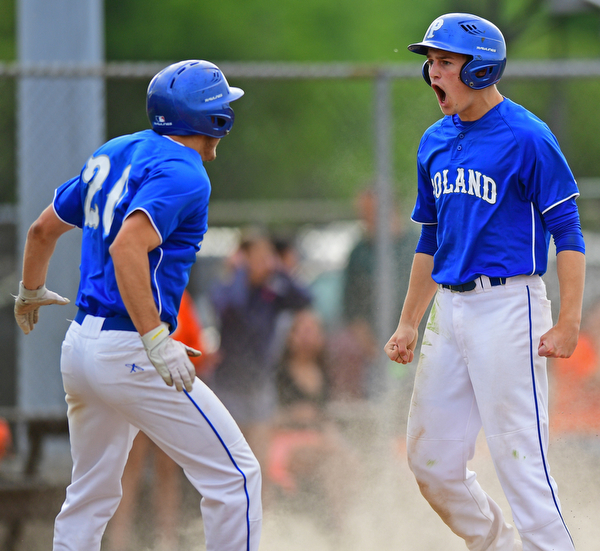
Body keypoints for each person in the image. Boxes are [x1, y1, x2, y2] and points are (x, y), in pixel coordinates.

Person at [13, 60, 262, 551]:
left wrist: (30, 291)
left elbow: (42, 230)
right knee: (236, 478)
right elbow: (127, 247)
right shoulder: (187, 172)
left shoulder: (115, 150)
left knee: (88, 498)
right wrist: (155, 340)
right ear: (210, 118)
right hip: (131, 349)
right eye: (221, 105)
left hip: (80, 345)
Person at [384, 14, 585, 551]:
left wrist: (569, 322)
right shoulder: (434, 141)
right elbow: (432, 242)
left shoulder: (528, 137)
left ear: (482, 69)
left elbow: (568, 231)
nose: (432, 74)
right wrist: (408, 320)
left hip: (509, 307)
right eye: (431, 62)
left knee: (524, 469)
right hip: (449, 313)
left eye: (446, 62)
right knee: (431, 464)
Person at [107, 289, 209, 551]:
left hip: (171, 396)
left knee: (167, 470)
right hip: (137, 391)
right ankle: (119, 540)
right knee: (131, 469)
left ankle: (167, 540)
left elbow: (197, 344)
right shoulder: (135, 289)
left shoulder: (180, 295)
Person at [208, 230, 312, 472]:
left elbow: (304, 298)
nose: (263, 262)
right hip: (229, 385)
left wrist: (279, 271)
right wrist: (241, 273)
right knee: (232, 462)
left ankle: (263, 509)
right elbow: (233, 306)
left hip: (259, 384)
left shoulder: (273, 292)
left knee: (259, 461)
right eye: (257, 256)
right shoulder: (228, 288)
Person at [268, 308, 358, 530]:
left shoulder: (323, 372)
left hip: (315, 437)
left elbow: (324, 416)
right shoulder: (278, 374)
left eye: (313, 330)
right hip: (283, 438)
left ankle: (339, 522)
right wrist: (293, 415)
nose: (307, 336)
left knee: (345, 459)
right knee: (321, 455)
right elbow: (265, 418)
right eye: (302, 330)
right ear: (290, 336)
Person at [331, 187, 419, 400]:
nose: (366, 220)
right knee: (381, 401)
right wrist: (376, 350)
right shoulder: (359, 253)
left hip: (420, 345)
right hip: (378, 351)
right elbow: (351, 309)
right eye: (363, 215)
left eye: (371, 213)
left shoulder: (416, 246)